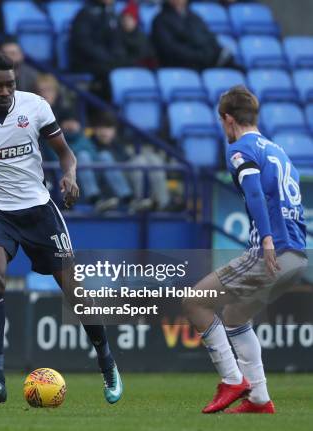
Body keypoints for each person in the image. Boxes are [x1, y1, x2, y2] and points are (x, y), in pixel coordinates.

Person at [0, 52, 122, 405]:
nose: (6, 91)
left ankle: (107, 363)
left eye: (11, 83)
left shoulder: (35, 106)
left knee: (74, 289)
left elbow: (65, 153)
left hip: (40, 210)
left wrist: (70, 176)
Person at [182, 86, 308, 414]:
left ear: (228, 119)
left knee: (195, 301)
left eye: (222, 122)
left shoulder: (241, 147)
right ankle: (259, 399)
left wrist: (266, 239)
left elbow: (254, 194)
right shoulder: (278, 151)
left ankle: (232, 380)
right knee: (236, 315)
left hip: (272, 251)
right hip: (297, 255)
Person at [152, 0, 238, 70]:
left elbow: (210, 38)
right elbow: (169, 48)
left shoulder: (195, 18)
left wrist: (210, 54)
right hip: (183, 66)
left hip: (205, 63)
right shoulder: (160, 20)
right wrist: (198, 56)